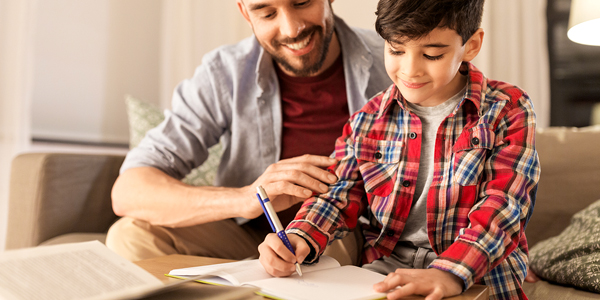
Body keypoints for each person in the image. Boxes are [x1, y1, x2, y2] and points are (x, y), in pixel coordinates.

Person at [257, 0, 540, 299]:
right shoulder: (368, 118)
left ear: (470, 46)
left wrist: (449, 273)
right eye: (396, 50)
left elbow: (504, 206)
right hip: (383, 276)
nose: (410, 70)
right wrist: (301, 235)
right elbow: (337, 194)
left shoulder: (507, 109)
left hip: (477, 278)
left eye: (432, 54)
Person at [105, 0, 392, 263]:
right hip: (247, 238)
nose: (291, 29)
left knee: (333, 240)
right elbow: (129, 191)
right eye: (267, 13)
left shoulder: (396, 61)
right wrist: (247, 199)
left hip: (338, 236)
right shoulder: (224, 73)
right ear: (246, 13)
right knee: (129, 236)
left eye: (302, 2)